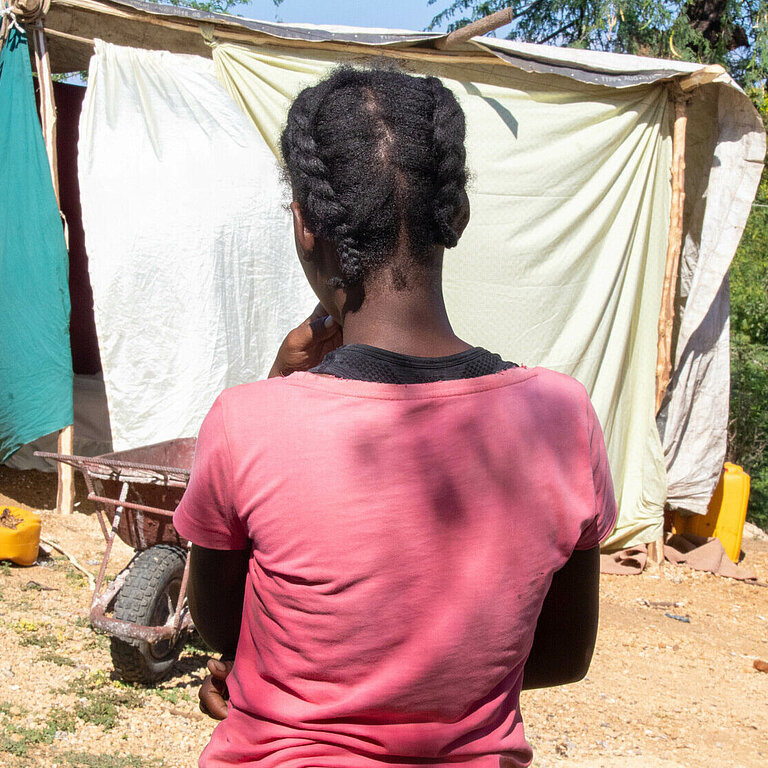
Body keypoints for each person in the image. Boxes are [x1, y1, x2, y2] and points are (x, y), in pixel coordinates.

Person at [173, 65, 616, 768]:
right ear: (457, 215)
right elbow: (562, 655)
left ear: (305, 222)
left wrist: (283, 384)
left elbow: (225, 627)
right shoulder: (561, 418)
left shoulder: (245, 420)